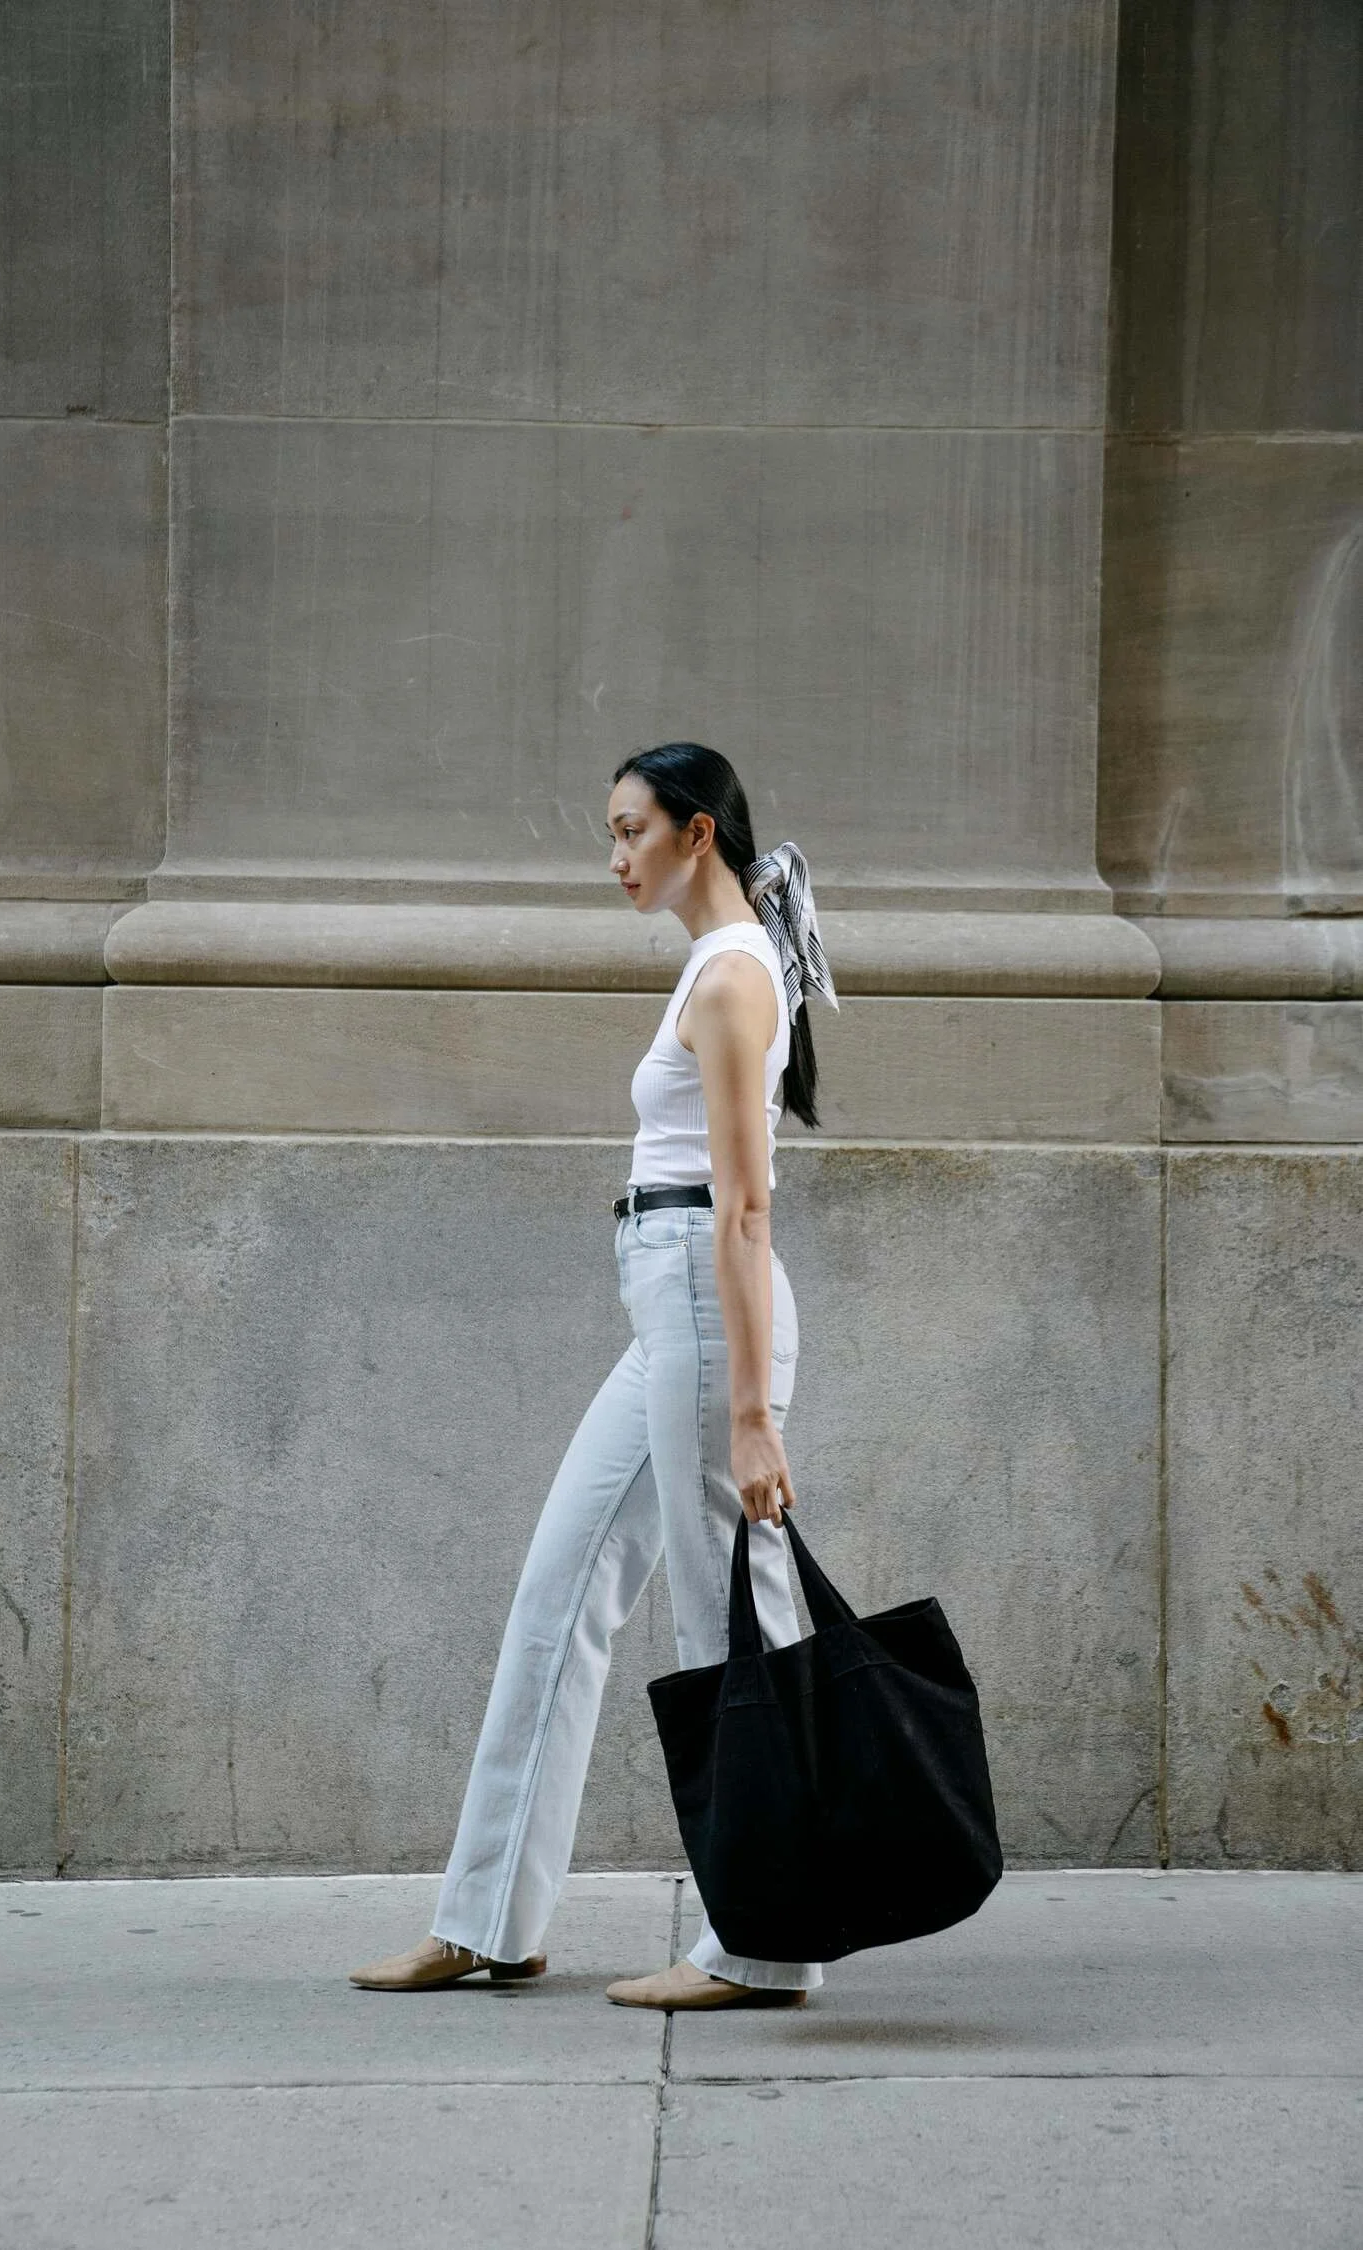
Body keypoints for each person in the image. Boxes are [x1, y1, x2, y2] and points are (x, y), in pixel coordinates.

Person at [348, 743, 839, 2010]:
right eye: (610, 834)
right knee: (558, 1597)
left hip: (707, 1307)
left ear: (698, 832)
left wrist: (750, 1416)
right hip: (671, 1308)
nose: (615, 856)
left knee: (730, 1624)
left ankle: (766, 1941)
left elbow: (745, 1208)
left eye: (631, 831)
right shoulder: (716, 961)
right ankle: (488, 1921)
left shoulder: (732, 976)